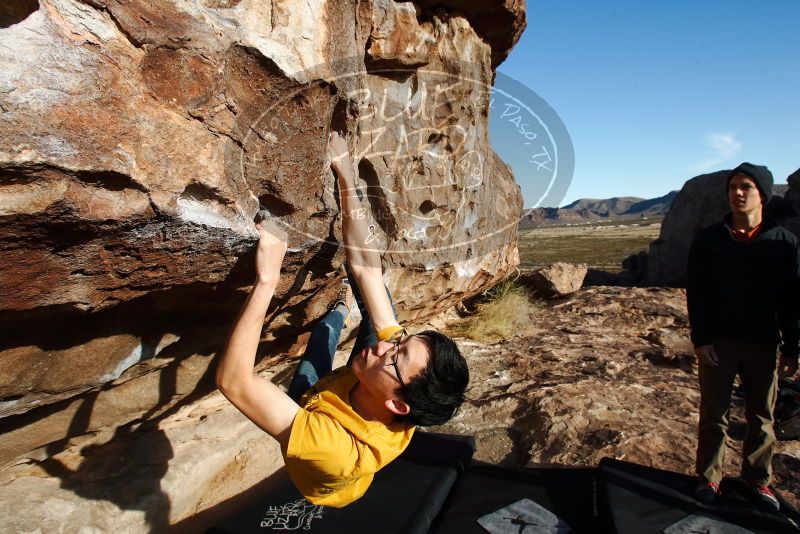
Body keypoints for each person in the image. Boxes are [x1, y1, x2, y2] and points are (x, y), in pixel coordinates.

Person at [215, 131, 470, 507]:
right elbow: (368, 268)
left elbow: (234, 381)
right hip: (361, 393)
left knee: (312, 365)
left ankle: (333, 316)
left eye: (396, 355)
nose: (386, 345)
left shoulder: (330, 448)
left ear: (399, 406)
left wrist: (267, 280)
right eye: (401, 341)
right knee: (374, 298)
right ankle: (338, 310)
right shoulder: (399, 381)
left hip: (319, 431)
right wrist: (346, 175)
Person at [687, 162, 800, 510]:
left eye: (746, 186)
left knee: (761, 417)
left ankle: (758, 481)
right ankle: (709, 478)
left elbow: (792, 299)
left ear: (762, 194)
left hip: (764, 344)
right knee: (714, 415)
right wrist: (701, 340)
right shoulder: (709, 240)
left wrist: (792, 347)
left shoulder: (783, 243)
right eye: (732, 186)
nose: (737, 193)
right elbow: (697, 293)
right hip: (718, 343)